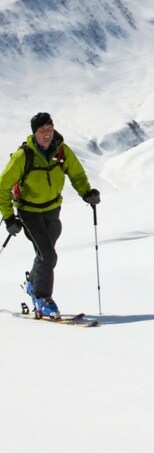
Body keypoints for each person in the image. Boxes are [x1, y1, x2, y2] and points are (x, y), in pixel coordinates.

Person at [0, 112, 100, 319]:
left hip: (53, 210)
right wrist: (9, 217)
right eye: (42, 130)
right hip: (29, 213)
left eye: (50, 129)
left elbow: (76, 174)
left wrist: (87, 193)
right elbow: (2, 186)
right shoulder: (23, 156)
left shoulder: (61, 150)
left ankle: (33, 284)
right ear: (34, 133)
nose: (47, 134)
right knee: (48, 254)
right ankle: (42, 298)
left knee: (45, 253)